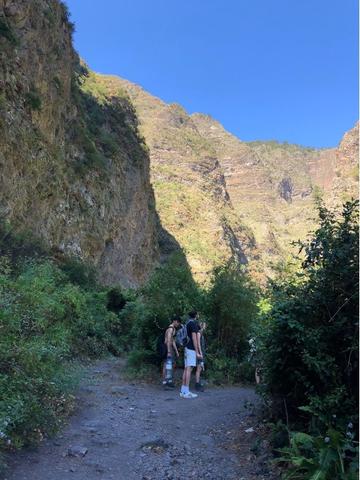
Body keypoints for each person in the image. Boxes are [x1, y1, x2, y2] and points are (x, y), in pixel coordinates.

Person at [180, 311, 202, 399]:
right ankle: (187, 392)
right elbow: (194, 338)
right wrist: (197, 352)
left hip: (186, 348)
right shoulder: (192, 324)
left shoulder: (188, 323)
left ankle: (183, 390)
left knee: (186, 369)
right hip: (191, 349)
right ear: (196, 315)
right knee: (189, 369)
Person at [161, 316, 181, 388]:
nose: (178, 324)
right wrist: (169, 351)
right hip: (168, 348)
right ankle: (165, 382)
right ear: (175, 321)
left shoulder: (172, 329)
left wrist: (176, 351)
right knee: (166, 365)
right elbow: (169, 340)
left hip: (170, 349)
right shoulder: (170, 329)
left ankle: (168, 381)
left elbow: (173, 341)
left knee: (170, 365)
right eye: (178, 323)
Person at [195, 321, 206, 391]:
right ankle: (197, 384)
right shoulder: (198, 333)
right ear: (202, 326)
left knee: (200, 368)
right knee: (198, 368)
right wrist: (200, 353)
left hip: (201, 353)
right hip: (199, 353)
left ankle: (198, 383)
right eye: (204, 325)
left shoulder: (201, 333)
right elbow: (198, 344)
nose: (205, 326)